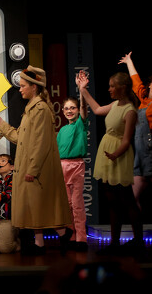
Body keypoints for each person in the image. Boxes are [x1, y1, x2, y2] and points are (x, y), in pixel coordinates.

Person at [0, 66, 72, 255]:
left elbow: (41, 143)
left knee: (39, 204)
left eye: (23, 86)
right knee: (34, 206)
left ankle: (61, 235)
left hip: (38, 167)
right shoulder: (30, 109)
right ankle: (41, 242)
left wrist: (33, 169)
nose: (20, 89)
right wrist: (2, 124)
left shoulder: (41, 109)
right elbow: (20, 137)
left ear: (34, 87)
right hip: (28, 165)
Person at [77, 69, 143, 255]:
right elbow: (97, 109)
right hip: (108, 154)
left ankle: (139, 242)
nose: (109, 89)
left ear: (123, 87)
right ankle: (114, 243)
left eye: (113, 86)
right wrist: (82, 89)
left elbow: (127, 140)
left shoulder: (130, 110)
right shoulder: (114, 105)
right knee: (112, 200)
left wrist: (115, 154)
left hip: (119, 156)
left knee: (127, 200)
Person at [119, 52, 152, 252]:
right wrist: (129, 61)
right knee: (131, 198)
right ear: (150, 84)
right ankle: (138, 237)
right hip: (140, 157)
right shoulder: (142, 98)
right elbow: (136, 81)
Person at [57, 91, 89, 252]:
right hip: (62, 166)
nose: (69, 111)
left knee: (77, 204)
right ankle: (71, 235)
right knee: (67, 204)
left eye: (73, 108)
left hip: (76, 166)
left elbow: (84, 108)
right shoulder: (62, 130)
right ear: (62, 111)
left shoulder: (80, 124)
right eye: (66, 108)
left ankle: (81, 238)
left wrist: (82, 91)